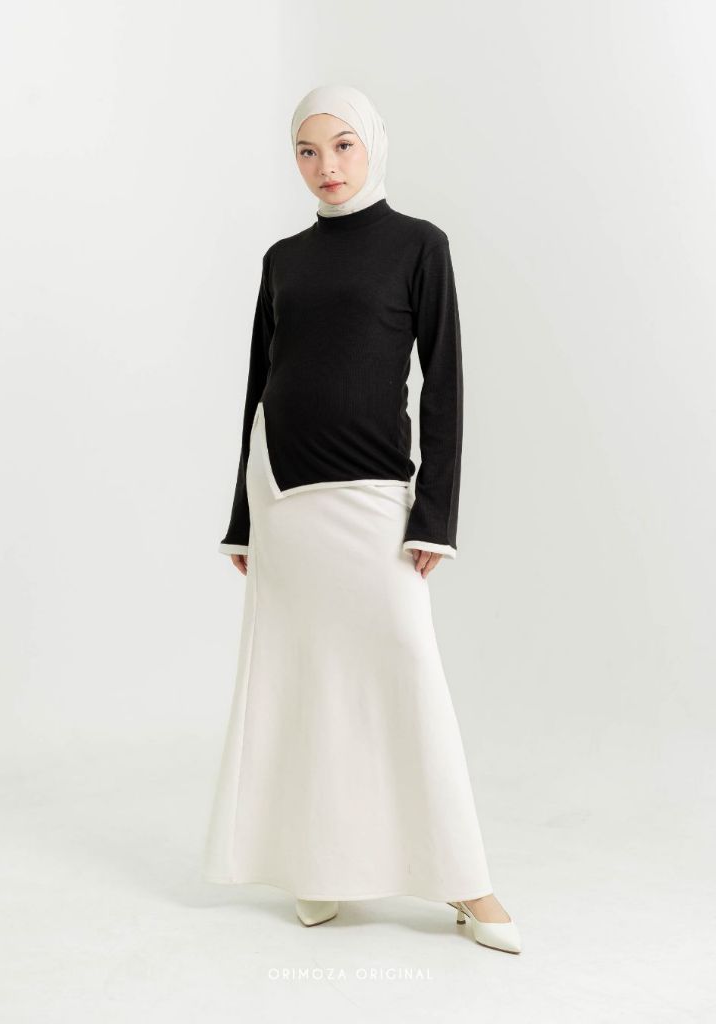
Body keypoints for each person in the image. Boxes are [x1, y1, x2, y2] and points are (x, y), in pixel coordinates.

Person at [202, 84, 521, 955]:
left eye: (342, 146)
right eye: (307, 151)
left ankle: (465, 880)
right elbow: (257, 391)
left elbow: (444, 383)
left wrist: (434, 516)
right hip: (285, 503)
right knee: (306, 688)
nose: (327, 166)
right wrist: (243, 519)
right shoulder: (282, 259)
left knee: (404, 676)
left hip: (375, 502)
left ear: (372, 145)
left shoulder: (419, 246)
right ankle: (320, 866)